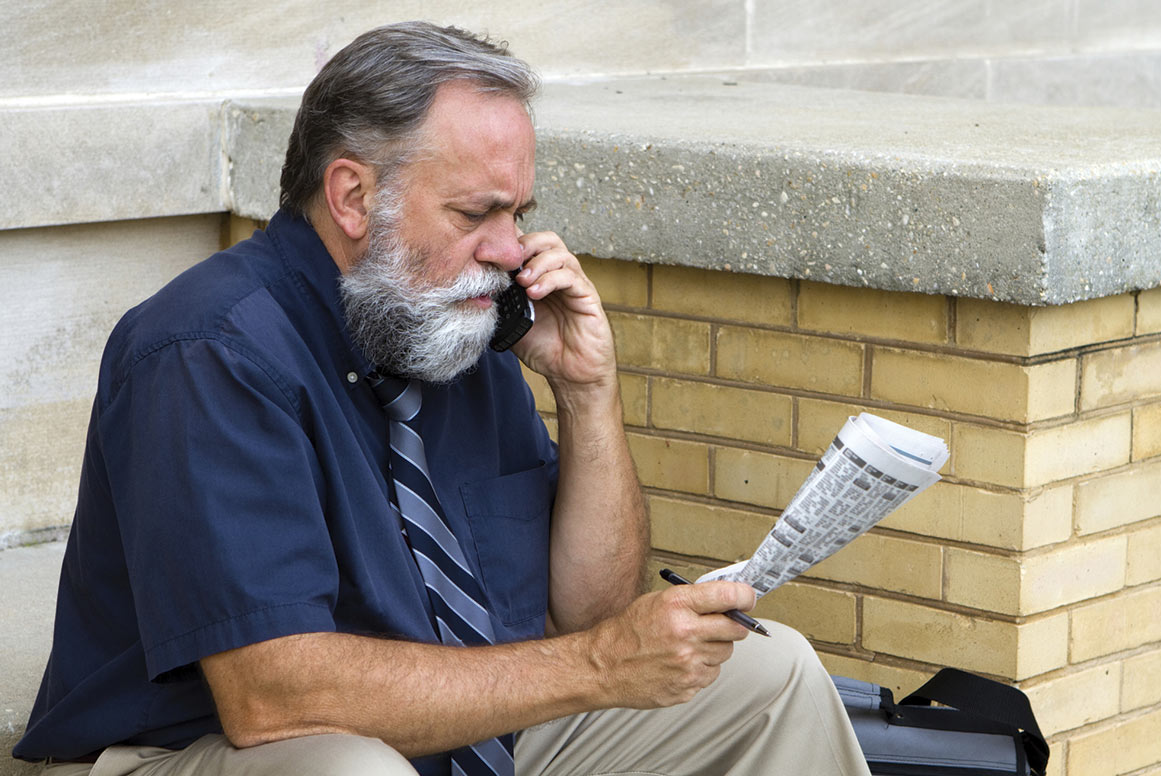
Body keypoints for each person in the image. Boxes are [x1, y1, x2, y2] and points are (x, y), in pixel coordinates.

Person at [15, 21, 870, 776]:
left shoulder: (454, 322)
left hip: (452, 733)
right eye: (475, 212)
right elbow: (274, 699)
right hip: (207, 751)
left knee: (771, 674)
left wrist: (586, 391)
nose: (513, 248)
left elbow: (594, 615)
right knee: (353, 771)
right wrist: (601, 664)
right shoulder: (208, 349)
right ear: (354, 196)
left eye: (519, 210)